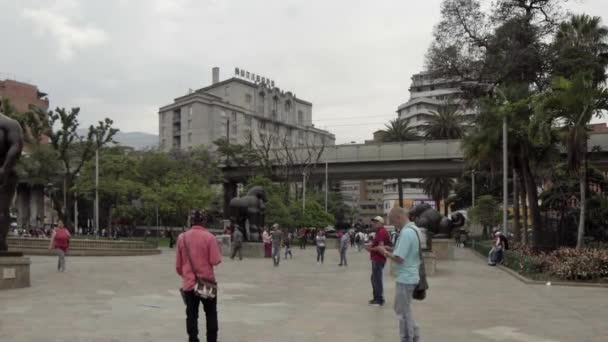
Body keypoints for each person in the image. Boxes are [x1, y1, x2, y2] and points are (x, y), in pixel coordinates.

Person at [176, 210, 221, 342]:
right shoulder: (210, 237)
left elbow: (178, 267)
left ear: (190, 221)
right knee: (211, 314)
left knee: (191, 314)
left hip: (189, 284)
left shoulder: (182, 238)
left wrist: (187, 275)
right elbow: (215, 260)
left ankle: (193, 338)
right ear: (204, 221)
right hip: (206, 283)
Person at [378, 207, 421, 342]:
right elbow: (407, 251)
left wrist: (384, 252)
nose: (394, 225)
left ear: (399, 217)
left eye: (393, 221)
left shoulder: (406, 232)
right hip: (411, 275)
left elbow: (399, 258)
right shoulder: (415, 230)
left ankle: (408, 338)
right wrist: (391, 248)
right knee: (406, 310)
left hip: (405, 278)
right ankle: (414, 335)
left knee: (402, 312)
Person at [365, 216, 391, 306]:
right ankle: (377, 298)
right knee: (374, 279)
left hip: (378, 259)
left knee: (376, 279)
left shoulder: (381, 232)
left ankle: (379, 299)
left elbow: (381, 247)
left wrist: (370, 249)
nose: (373, 223)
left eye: (376, 222)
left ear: (381, 223)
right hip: (378, 258)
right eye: (373, 222)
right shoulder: (381, 231)